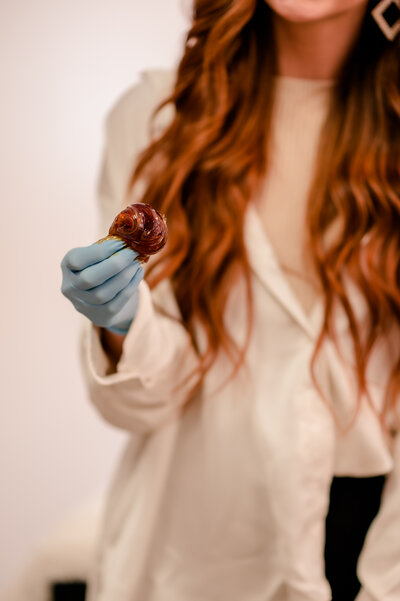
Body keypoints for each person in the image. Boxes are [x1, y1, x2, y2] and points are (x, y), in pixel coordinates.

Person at [60, 0, 400, 599]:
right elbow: (140, 406)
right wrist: (123, 325)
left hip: (377, 533)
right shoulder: (155, 120)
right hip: (204, 540)